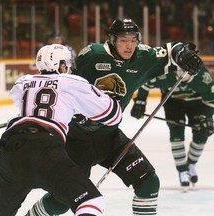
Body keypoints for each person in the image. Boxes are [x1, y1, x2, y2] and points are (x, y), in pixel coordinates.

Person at [26, 18, 203, 215]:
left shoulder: (143, 56)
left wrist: (183, 53)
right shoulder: (91, 54)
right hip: (76, 140)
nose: (129, 46)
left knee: (148, 182)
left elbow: (171, 50)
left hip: (109, 138)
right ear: (111, 40)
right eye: (123, 40)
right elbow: (63, 83)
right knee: (62, 200)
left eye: (133, 40)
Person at [0, 44, 123, 216]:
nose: (69, 67)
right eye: (67, 63)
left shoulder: (23, 82)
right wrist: (109, 98)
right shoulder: (72, 82)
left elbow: (30, 107)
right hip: (44, 150)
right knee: (91, 202)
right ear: (62, 65)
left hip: (12, 150)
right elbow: (113, 116)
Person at [130, 67, 214, 187]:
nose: (180, 73)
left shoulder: (202, 77)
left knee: (202, 134)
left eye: (185, 71)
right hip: (173, 103)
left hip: (196, 104)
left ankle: (191, 164)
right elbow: (146, 85)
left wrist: (207, 117)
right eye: (178, 69)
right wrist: (140, 102)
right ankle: (182, 171)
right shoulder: (166, 74)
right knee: (176, 136)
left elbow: (211, 99)